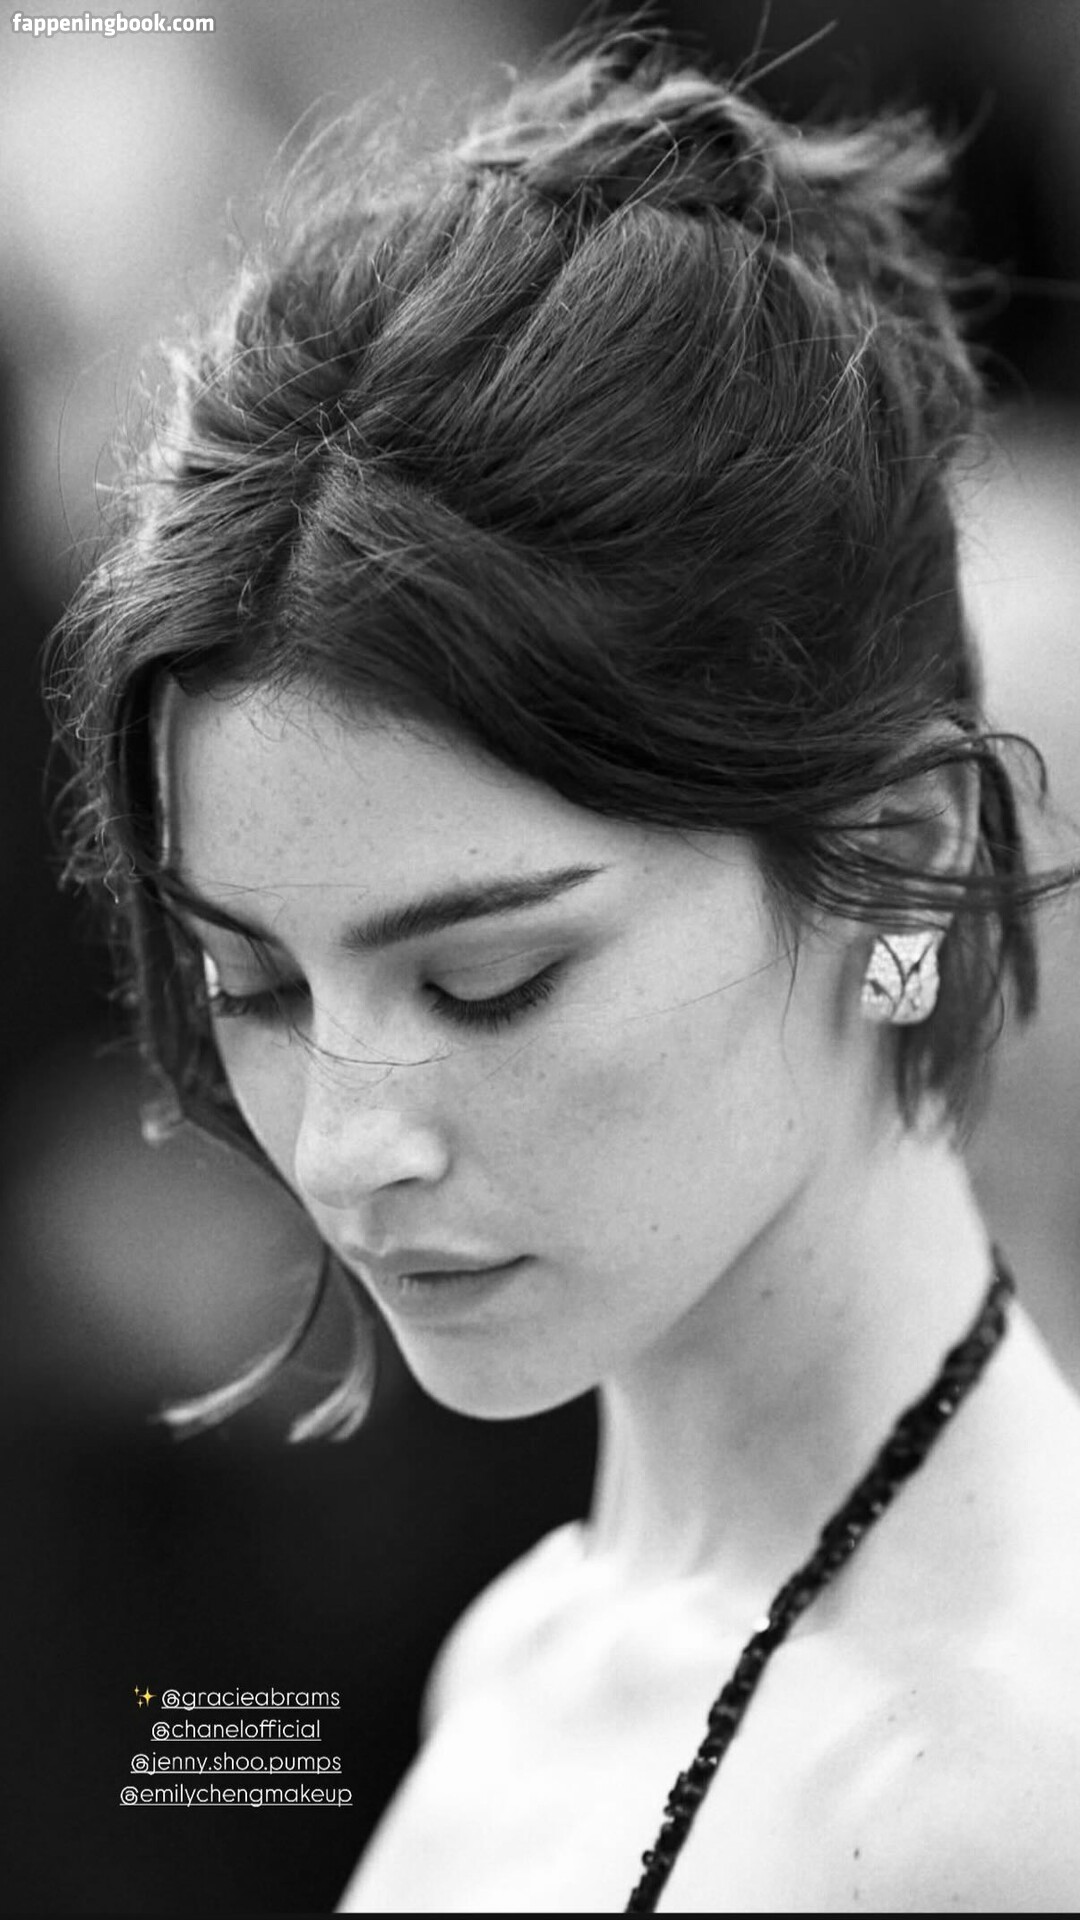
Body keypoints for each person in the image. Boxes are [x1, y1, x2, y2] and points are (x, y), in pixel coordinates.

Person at [47, 27, 1080, 1914]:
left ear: (911, 856)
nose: (343, 1152)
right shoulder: (528, 1647)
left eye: (490, 981)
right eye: (253, 985)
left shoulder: (998, 1801)